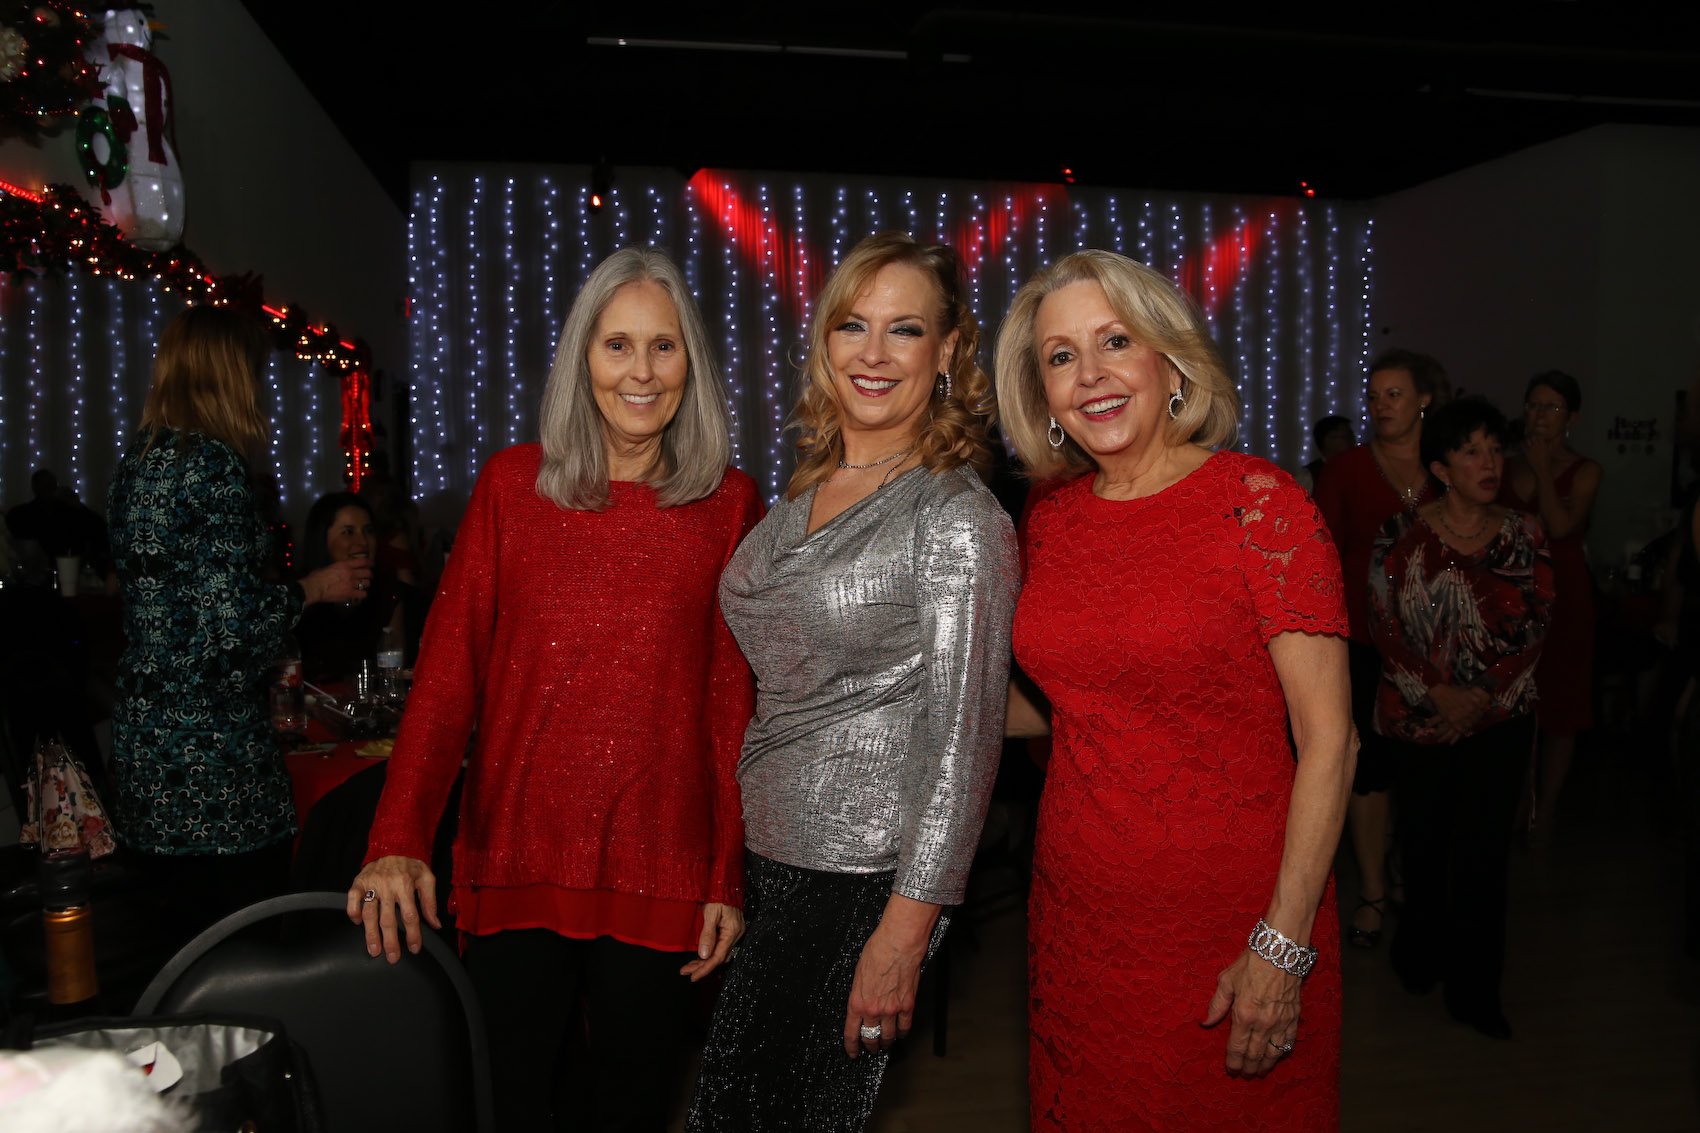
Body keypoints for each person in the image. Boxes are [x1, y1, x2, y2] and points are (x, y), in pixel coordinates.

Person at [350, 247, 761, 1132]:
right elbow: (449, 672)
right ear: (584, 357)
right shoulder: (512, 487)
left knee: (631, 1108)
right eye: (618, 345)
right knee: (510, 1105)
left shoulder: (728, 504)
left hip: (661, 863)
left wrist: (727, 872)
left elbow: (732, 704)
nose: (641, 372)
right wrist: (399, 836)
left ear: (691, 363)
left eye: (663, 346)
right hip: (518, 856)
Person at [996, 249, 1354, 1130]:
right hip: (1080, 924)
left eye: (1115, 340)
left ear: (1172, 359)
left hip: (1235, 925)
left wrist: (1283, 942)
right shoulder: (1053, 520)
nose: (1091, 374)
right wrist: (897, 708)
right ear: (1043, 394)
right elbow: (1073, 701)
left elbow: (1331, 741)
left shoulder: (1259, 505)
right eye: (1061, 356)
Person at [687, 233, 1018, 1132]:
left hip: (860, 880)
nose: (873, 353)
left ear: (947, 350)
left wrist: (906, 930)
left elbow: (964, 741)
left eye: (904, 329)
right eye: (852, 325)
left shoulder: (955, 516)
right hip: (766, 864)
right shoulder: (807, 488)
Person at [106, 305, 371, 942]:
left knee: (174, 953)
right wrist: (314, 588)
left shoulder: (137, 463)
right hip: (212, 767)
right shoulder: (213, 466)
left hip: (145, 747)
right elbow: (236, 631)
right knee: (241, 953)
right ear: (230, 375)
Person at [1369, 397, 1553, 1039]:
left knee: (1483, 858)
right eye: (1472, 451)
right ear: (1442, 469)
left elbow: (1536, 625)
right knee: (1423, 848)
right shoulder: (1400, 534)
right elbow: (1384, 627)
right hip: (1419, 719)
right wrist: (1437, 694)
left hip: (1498, 722)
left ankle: (1477, 993)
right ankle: (1419, 953)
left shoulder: (1525, 533)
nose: (1489, 462)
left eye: (1495, 449)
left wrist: (1476, 699)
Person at [1314, 348, 1449, 948]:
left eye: (1394, 394)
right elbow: (1320, 555)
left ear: (1424, 400)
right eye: (1373, 396)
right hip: (1363, 642)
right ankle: (1370, 889)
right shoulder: (1346, 469)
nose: (1380, 405)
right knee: (1367, 769)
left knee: (1422, 771)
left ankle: (1409, 879)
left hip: (1438, 649)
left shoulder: (1449, 465)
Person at [1499, 370, 1602, 845]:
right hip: (1511, 595)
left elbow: (1561, 527)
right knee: (1514, 703)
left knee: (1561, 702)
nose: (1540, 416)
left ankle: (1548, 810)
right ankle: (1517, 802)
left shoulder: (1585, 470)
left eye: (1551, 407)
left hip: (1564, 595)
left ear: (1571, 417)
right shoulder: (1503, 464)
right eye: (1533, 405)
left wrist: (1542, 469)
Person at [293, 491, 411, 681]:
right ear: (321, 539)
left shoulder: (387, 592)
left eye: (368, 531)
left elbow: (395, 674)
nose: (363, 542)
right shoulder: (301, 593)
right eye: (348, 532)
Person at [1294, 414, 1356, 493]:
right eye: (1342, 436)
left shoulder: (1359, 469)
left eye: (1349, 435)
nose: (1349, 440)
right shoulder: (1309, 476)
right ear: (1326, 440)